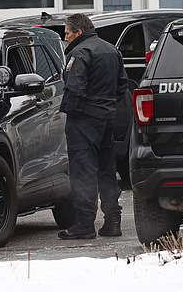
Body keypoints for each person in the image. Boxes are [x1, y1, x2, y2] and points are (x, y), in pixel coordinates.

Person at [58, 13, 128, 240]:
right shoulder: (111, 49)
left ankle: (84, 224)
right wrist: (107, 106)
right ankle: (113, 221)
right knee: (106, 170)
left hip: (84, 120)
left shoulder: (80, 53)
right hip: (107, 117)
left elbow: (75, 88)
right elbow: (122, 86)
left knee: (83, 171)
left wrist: (73, 112)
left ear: (78, 32)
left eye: (67, 33)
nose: (65, 37)